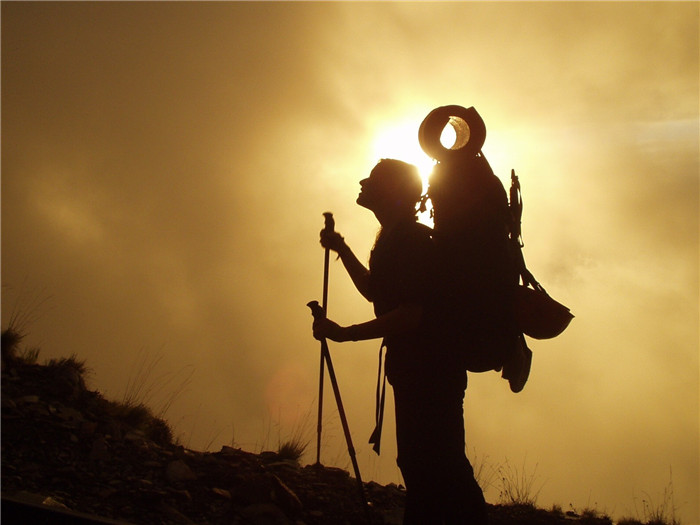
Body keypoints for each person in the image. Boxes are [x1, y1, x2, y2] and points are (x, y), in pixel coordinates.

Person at [312, 158, 489, 525]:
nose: (363, 182)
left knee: (437, 462)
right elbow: (377, 291)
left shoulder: (410, 240)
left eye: (373, 179)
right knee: (423, 461)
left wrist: (345, 334)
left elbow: (411, 314)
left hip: (431, 370)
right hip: (419, 370)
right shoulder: (395, 238)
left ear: (391, 190)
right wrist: (342, 248)